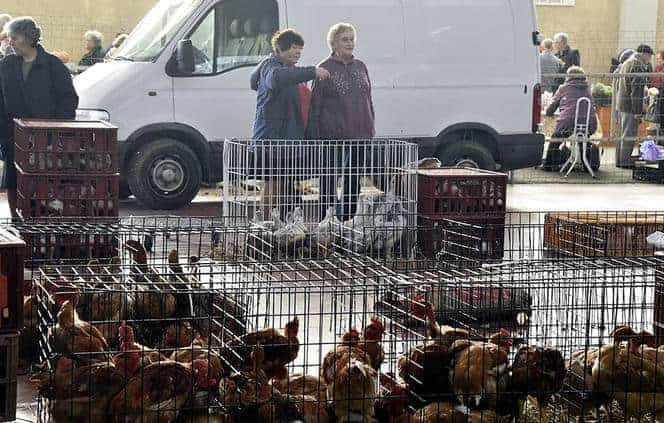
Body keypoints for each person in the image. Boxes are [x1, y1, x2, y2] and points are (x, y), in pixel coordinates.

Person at [0, 17, 79, 218]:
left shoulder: (53, 65)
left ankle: (36, 221)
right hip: (13, 134)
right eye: (9, 38)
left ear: (28, 38)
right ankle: (16, 221)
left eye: (14, 38)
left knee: (42, 181)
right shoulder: (6, 65)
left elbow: (68, 99)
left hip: (45, 137)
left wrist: (55, 129)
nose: (10, 42)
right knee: (13, 179)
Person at [250, 28, 330, 218]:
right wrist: (312, 71)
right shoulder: (271, 67)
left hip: (287, 140)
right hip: (273, 140)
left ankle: (278, 222)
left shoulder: (288, 69)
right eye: (294, 48)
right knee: (274, 184)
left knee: (283, 184)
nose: (298, 52)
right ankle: (266, 223)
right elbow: (276, 79)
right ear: (279, 49)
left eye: (300, 49)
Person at [307, 22, 375, 222]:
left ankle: (348, 220)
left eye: (352, 39)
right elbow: (315, 104)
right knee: (329, 179)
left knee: (353, 180)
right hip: (333, 135)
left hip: (361, 133)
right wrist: (314, 134)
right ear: (334, 43)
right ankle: (327, 222)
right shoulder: (324, 68)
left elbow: (368, 99)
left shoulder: (361, 66)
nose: (350, 43)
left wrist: (371, 125)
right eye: (345, 39)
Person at [543, 66, 598, 171]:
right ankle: (587, 164)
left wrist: (549, 112)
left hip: (568, 122)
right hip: (589, 122)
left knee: (556, 139)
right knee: (583, 137)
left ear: (568, 76)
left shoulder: (564, 88)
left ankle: (549, 164)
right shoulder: (588, 89)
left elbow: (552, 107)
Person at [615, 44, 653, 168]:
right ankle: (625, 163)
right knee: (629, 136)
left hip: (622, 104)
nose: (649, 60)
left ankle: (620, 161)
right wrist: (638, 111)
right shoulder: (637, 65)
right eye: (649, 56)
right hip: (630, 106)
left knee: (622, 135)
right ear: (645, 54)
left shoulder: (627, 62)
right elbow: (636, 92)